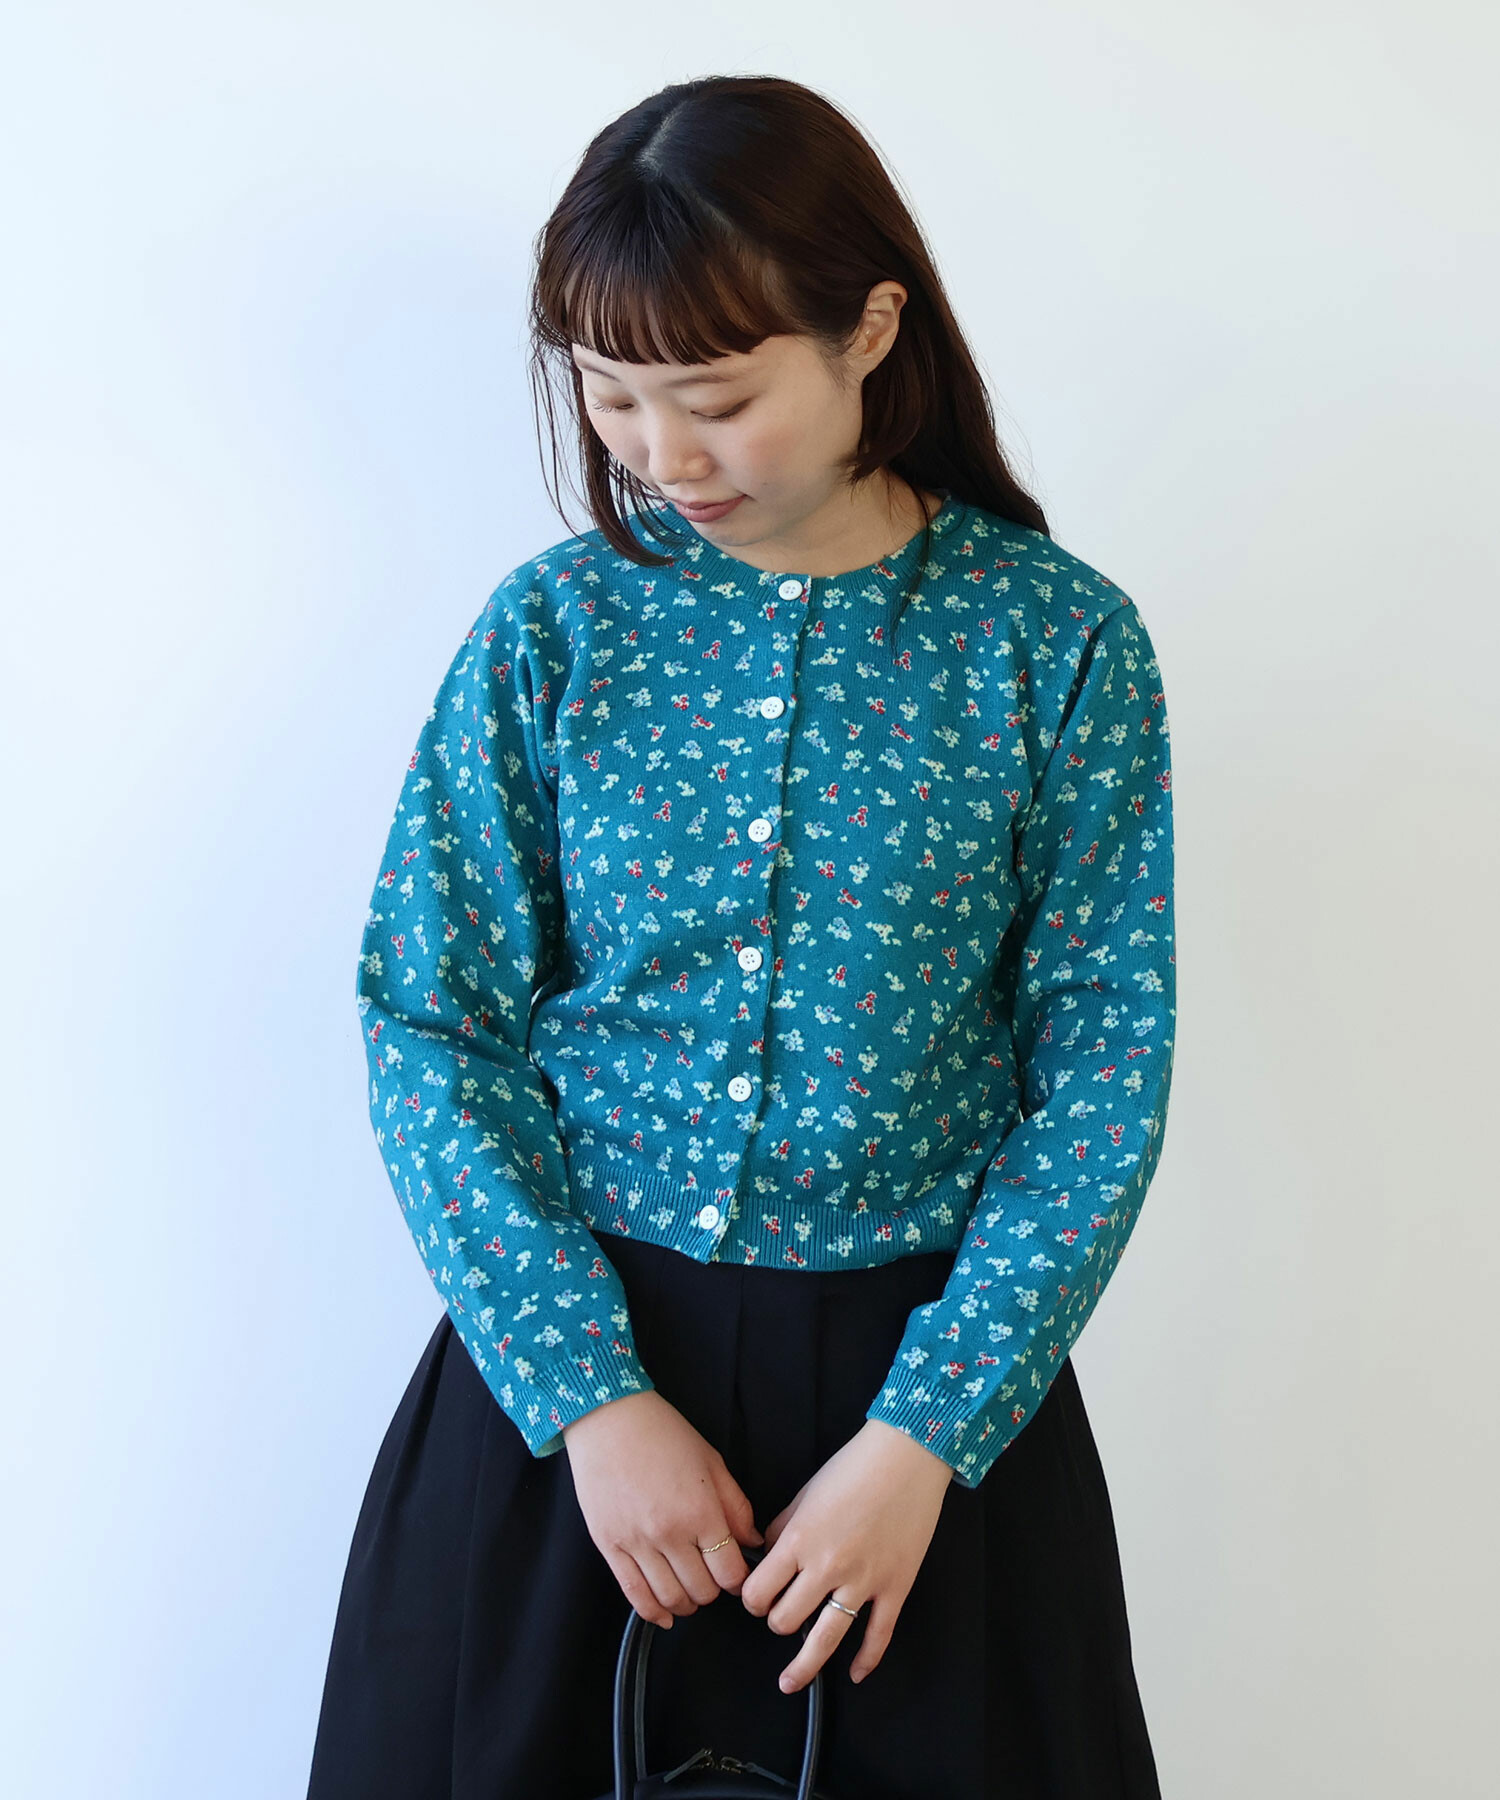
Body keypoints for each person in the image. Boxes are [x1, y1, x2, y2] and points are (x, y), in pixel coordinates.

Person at [306, 72, 1176, 1800]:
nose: (660, 452)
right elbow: (430, 1012)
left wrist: (928, 1438)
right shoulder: (554, 630)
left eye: (715, 397)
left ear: (872, 330)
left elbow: (1103, 1065)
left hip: (919, 1436)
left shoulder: (1057, 642)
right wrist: (590, 1398)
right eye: (609, 393)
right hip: (572, 1415)